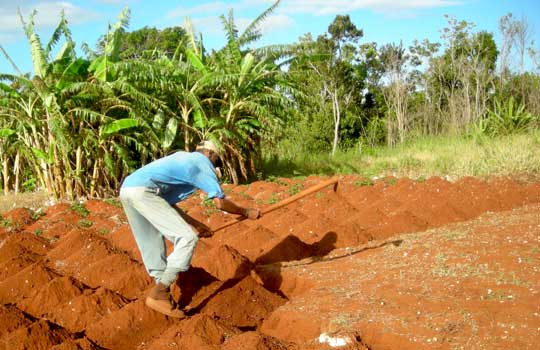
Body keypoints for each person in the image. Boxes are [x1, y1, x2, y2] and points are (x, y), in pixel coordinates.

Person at [119, 140, 260, 318]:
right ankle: (160, 293)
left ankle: (163, 295)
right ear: (210, 153)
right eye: (216, 161)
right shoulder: (202, 162)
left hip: (127, 189)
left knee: (151, 243)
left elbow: (165, 204)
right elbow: (220, 202)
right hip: (144, 192)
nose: (214, 166)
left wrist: (196, 224)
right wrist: (246, 211)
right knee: (187, 238)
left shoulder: (182, 159)